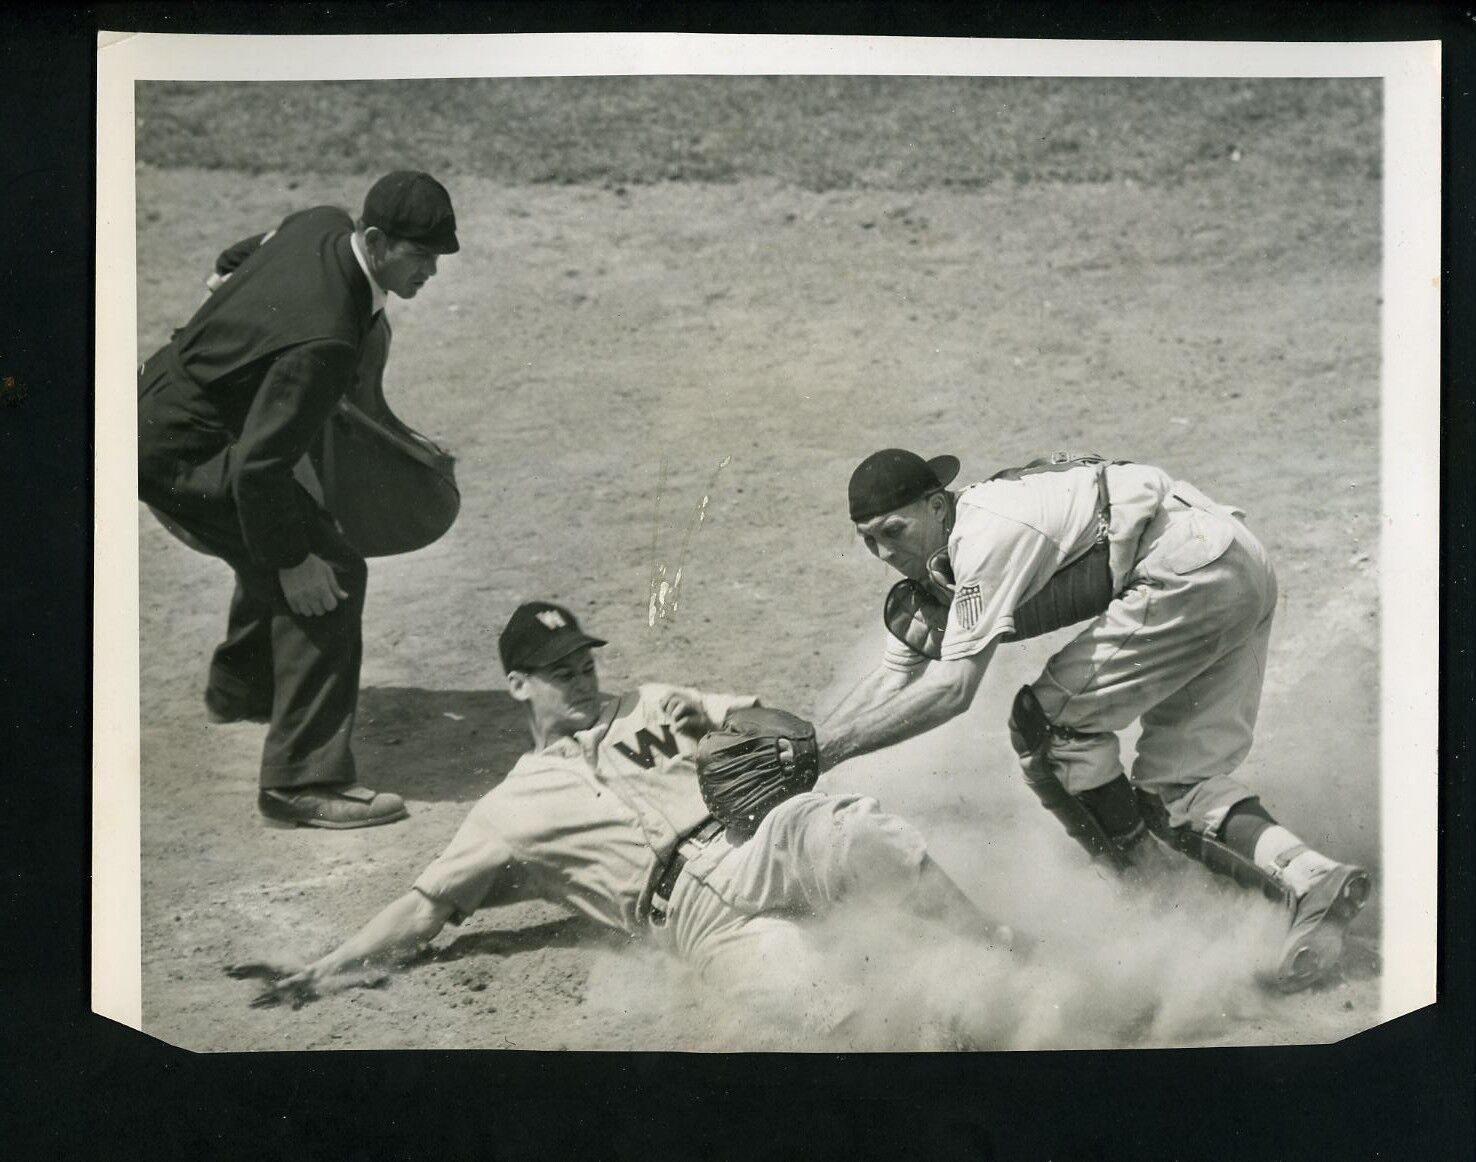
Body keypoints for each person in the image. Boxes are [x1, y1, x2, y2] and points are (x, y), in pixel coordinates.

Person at [229, 600, 1008, 1029]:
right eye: (558, 671)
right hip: (691, 920)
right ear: (516, 686)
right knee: (826, 1013)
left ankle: (1003, 947)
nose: (581, 678)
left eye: (585, 662)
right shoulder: (507, 810)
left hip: (750, 842)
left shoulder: (655, 702)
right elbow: (423, 906)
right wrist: (326, 970)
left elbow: (781, 724)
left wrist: (784, 740)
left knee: (852, 824)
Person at [817, 448, 1371, 992]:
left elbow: (953, 690)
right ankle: (1310, 879)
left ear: (936, 506)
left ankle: (1163, 905)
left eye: (893, 530)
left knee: (1051, 730)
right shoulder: (961, 531)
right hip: (1230, 559)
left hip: (1184, 570)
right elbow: (895, 677)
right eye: (868, 539)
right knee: (1178, 786)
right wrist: (808, 750)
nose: (883, 552)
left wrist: (825, 753)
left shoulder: (982, 538)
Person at [137, 171, 460, 828]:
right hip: (181, 450)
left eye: (438, 254)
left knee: (282, 532)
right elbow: (259, 469)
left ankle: (243, 688)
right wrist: (294, 561)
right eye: (419, 253)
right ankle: (300, 781)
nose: (430, 269)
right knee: (328, 570)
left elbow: (235, 258)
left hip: (166, 402)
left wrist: (229, 307)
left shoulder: (317, 221)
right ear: (374, 239)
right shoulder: (326, 340)